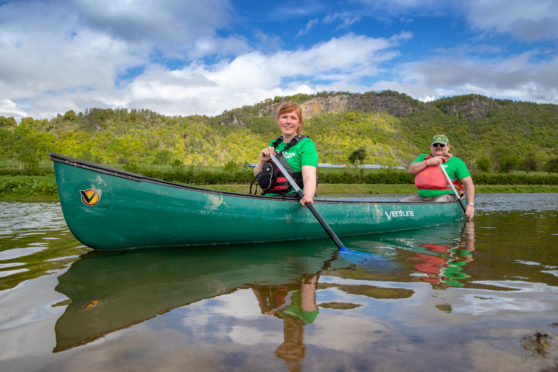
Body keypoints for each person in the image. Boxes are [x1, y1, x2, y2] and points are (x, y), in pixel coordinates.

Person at [254, 102, 318, 206]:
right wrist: (262, 161)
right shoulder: (274, 144)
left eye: (293, 118)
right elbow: (258, 175)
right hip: (268, 200)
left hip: (293, 200)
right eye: (284, 117)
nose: (288, 122)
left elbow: (309, 176)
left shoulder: (306, 144)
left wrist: (308, 196)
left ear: (299, 123)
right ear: (278, 120)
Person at [402, 134, 475, 220]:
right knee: (402, 204)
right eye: (435, 145)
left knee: (436, 204)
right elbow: (411, 170)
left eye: (442, 145)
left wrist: (470, 205)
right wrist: (428, 162)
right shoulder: (422, 157)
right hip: (421, 198)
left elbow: (468, 183)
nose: (438, 147)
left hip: (446, 197)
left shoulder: (457, 162)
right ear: (431, 147)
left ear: (448, 146)